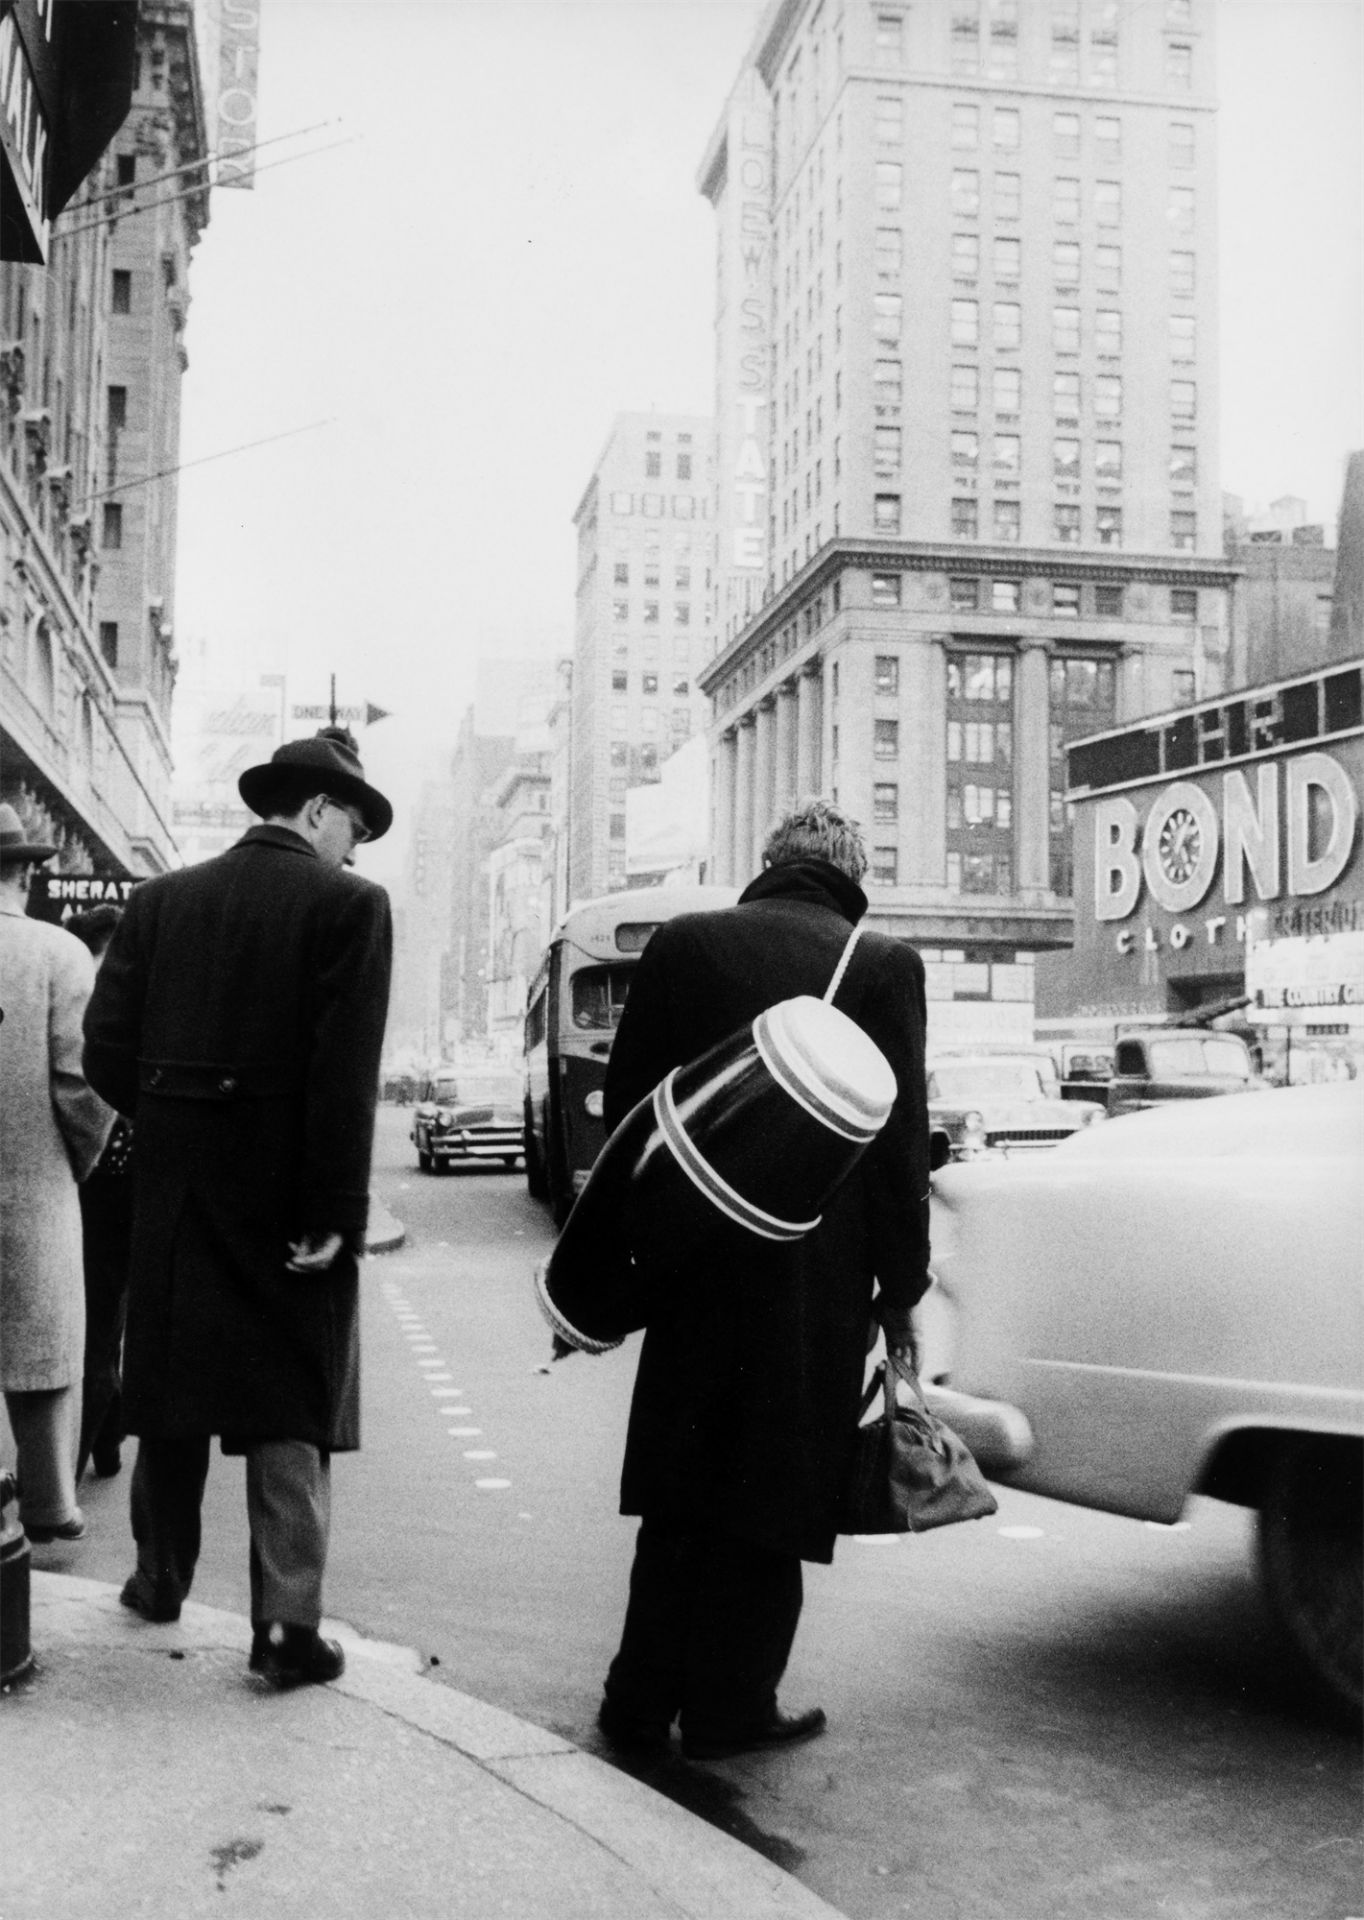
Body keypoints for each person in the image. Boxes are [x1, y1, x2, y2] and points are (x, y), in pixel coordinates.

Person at [596, 798, 932, 1761]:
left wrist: (630, 1257)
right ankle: (732, 1704)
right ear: (852, 875)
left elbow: (630, 1111)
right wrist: (899, 1289)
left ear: (770, 862)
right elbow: (896, 1144)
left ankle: (637, 1695)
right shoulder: (881, 966)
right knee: (775, 1489)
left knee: (682, 1481)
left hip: (695, 1260)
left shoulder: (685, 945)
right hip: (811, 1274)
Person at [83, 728, 393, 1688]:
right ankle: (285, 1631)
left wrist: (180, 1124)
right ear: (315, 811)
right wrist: (334, 1205)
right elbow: (346, 1077)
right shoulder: (351, 907)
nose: (357, 849)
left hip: (176, 1189)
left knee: (171, 1385)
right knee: (290, 1403)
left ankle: (156, 1578)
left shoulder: (162, 901)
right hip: (291, 1199)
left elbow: (103, 1050)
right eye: (354, 826)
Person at [0, 804, 114, 1544]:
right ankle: (47, 1501)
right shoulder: (60, 953)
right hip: (34, 1184)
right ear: (26, 870)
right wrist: (69, 1163)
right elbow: (85, 1084)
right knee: (39, 1351)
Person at [68, 905, 135, 1482]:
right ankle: (97, 1445)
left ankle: (90, 1449)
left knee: (99, 1322)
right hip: (114, 1183)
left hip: (95, 1185)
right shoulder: (105, 998)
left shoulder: (87, 992)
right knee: (103, 1323)